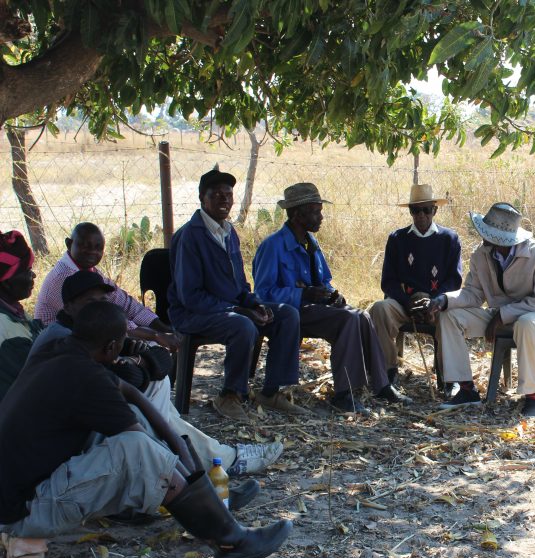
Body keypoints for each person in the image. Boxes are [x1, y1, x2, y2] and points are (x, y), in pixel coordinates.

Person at [0, 301, 291, 558]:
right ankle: (229, 539)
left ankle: (209, 503)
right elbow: (149, 444)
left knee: (132, 433)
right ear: (111, 347)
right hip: (21, 515)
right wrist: (129, 390)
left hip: (21, 492)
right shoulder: (88, 378)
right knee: (138, 448)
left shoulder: (56, 348)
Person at [30, 270, 283, 479]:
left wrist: (140, 361)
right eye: (90, 302)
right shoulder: (64, 338)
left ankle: (203, 464)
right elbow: (125, 379)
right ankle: (206, 464)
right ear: (69, 306)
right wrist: (140, 364)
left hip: (94, 421)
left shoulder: (94, 329)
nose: (98, 309)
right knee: (152, 398)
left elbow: (161, 360)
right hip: (74, 438)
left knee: (157, 390)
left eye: (104, 302)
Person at [253, 183, 410, 414]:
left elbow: (324, 280)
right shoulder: (273, 246)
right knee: (347, 321)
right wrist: (302, 294)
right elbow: (263, 293)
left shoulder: (311, 244)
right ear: (297, 215)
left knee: (361, 316)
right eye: (315, 211)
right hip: (290, 313)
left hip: (313, 309)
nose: (321, 217)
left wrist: (333, 295)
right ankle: (344, 394)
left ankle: (382, 384)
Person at [167, 166, 304, 421]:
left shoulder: (229, 233)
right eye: (216, 194)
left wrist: (253, 303)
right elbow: (190, 296)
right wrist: (235, 310)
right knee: (242, 325)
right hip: (191, 313)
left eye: (228, 194)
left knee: (286, 314)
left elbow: (240, 284)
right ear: (202, 198)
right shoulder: (190, 236)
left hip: (227, 308)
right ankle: (229, 395)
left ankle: (271, 391)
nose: (224, 200)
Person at [414, 202, 535, 417]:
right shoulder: (481, 255)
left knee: (526, 323)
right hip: (500, 315)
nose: (481, 236)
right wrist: (444, 300)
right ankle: (466, 389)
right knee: (449, 316)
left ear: (500, 238)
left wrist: (503, 315)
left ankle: (532, 396)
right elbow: (473, 294)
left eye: (486, 232)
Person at [367, 184, 463, 385]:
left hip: (436, 305)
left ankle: (450, 379)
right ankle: (387, 372)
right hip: (405, 303)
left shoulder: (449, 239)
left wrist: (435, 301)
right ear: (410, 211)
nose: (421, 215)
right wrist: (407, 302)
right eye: (415, 210)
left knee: (451, 316)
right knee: (379, 309)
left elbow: (455, 280)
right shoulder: (397, 239)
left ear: (434, 210)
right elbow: (388, 281)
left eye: (426, 209)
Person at [34, 221, 179, 351]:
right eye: (85, 246)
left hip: (87, 339)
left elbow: (125, 303)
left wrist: (164, 329)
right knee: (148, 352)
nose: (92, 252)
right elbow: (102, 321)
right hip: (60, 348)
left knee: (153, 349)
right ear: (69, 244)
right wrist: (155, 335)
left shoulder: (89, 270)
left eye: (98, 248)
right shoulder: (64, 277)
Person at [0, 230, 42, 400]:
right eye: (27, 270)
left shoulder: (14, 311)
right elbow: (40, 380)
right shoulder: (5, 330)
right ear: (6, 281)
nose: (33, 275)